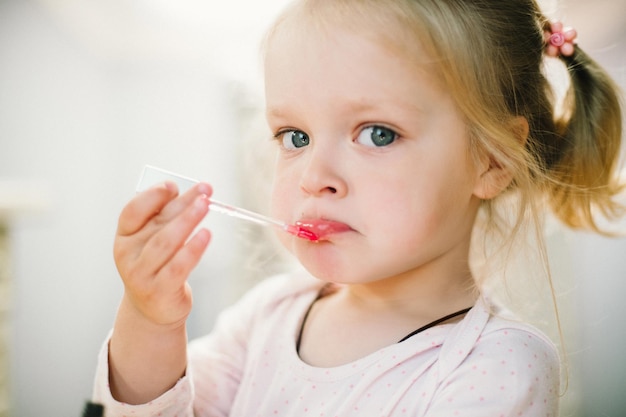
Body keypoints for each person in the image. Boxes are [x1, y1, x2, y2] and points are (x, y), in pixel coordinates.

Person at [92, 0, 624, 416]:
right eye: (295, 136)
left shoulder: (496, 366)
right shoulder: (268, 315)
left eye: (376, 134)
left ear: (491, 160)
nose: (314, 177)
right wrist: (150, 322)